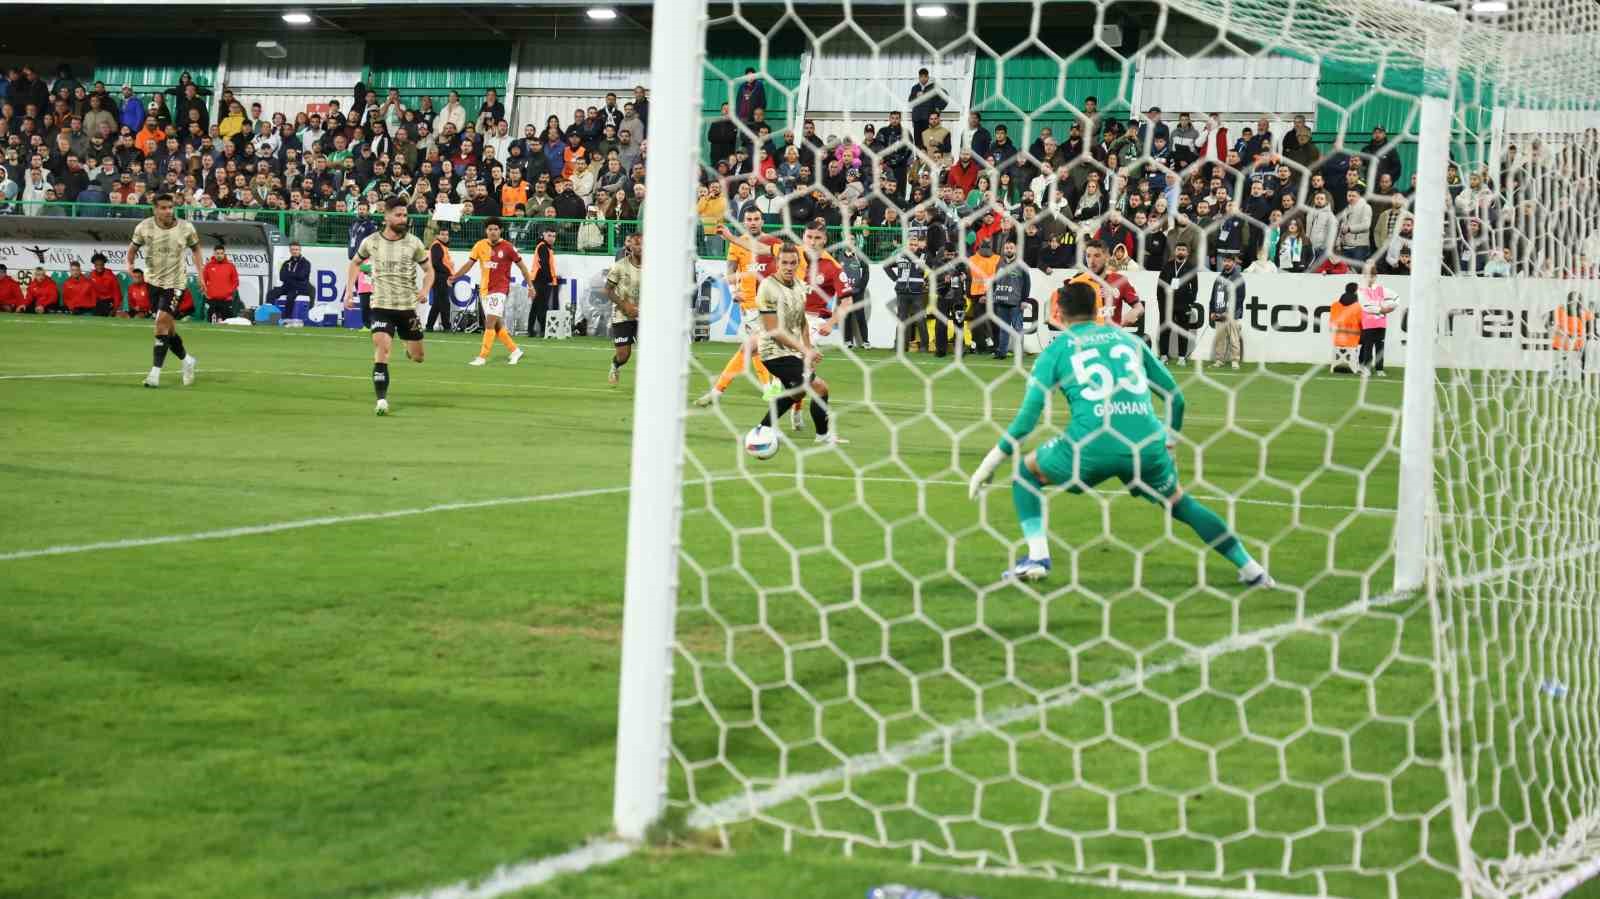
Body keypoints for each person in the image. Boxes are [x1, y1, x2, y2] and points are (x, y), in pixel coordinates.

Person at [967, 279, 1274, 586]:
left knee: (1026, 474)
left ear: (1057, 312)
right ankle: (1253, 570)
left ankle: (1037, 557)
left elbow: (1026, 421)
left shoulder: (1056, 350)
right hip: (1146, 443)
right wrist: (1169, 444)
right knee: (1181, 503)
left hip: (1091, 444)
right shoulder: (1128, 340)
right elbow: (1176, 399)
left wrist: (988, 463)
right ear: (1097, 310)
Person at [343, 196, 432, 415]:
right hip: (381, 305)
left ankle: (407, 346)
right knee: (382, 348)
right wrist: (350, 291)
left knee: (418, 357)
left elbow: (429, 270)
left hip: (407, 307)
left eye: (405, 215)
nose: (403, 219)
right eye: (399, 215)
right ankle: (381, 400)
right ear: (387, 216)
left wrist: (425, 290)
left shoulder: (414, 243)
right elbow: (355, 263)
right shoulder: (371, 241)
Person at [695, 208, 792, 405]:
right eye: (749, 219)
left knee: (752, 348)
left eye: (756, 219)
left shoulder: (774, 244)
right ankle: (771, 387)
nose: (753, 222)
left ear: (762, 221)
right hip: (748, 305)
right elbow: (730, 269)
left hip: (770, 306)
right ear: (744, 222)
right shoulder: (736, 246)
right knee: (755, 348)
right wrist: (733, 292)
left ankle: (719, 390)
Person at [752, 241, 845, 446]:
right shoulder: (768, 287)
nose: (788, 267)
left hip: (792, 351)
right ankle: (823, 436)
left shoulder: (800, 286)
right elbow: (773, 330)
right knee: (819, 387)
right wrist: (804, 350)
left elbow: (802, 320)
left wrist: (808, 347)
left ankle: (763, 429)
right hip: (773, 352)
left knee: (798, 391)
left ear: (798, 264)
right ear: (777, 263)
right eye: (784, 262)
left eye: (793, 263)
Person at [128, 193, 204, 388]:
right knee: (168, 329)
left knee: (161, 324)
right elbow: (132, 249)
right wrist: (129, 265)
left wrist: (201, 275)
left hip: (176, 283)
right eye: (163, 208)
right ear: (155, 209)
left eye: (170, 207)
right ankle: (187, 360)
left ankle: (154, 374)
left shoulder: (186, 228)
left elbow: (196, 249)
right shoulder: (144, 227)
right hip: (153, 282)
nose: (168, 211)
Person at [450, 217, 527, 366]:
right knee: (497, 326)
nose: (493, 232)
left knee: (489, 323)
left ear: (500, 230)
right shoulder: (479, 246)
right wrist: (455, 276)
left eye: (496, 229)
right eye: (490, 229)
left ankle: (482, 357)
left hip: (500, 290)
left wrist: (530, 286)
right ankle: (515, 350)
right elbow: (469, 264)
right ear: (486, 231)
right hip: (485, 290)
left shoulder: (508, 247)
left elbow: (522, 267)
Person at [604, 231, 643, 387]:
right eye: (637, 243)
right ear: (630, 246)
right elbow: (607, 290)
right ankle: (615, 365)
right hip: (622, 314)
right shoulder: (619, 266)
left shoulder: (655, 267)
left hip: (646, 316)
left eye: (643, 244)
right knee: (623, 355)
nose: (641, 247)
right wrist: (625, 305)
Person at [987, 238, 1030, 361]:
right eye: (1006, 248)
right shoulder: (999, 264)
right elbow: (995, 282)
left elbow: (1027, 284)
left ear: (1015, 249)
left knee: (1017, 329)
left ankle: (1019, 353)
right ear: (1003, 249)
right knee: (1003, 329)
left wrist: (1024, 300)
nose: (1008, 250)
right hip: (1001, 301)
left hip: (1016, 302)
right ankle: (1002, 352)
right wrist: (993, 296)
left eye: (1011, 248)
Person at [1156, 242, 1198, 362]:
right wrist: (1161, 303)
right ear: (1175, 251)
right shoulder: (1167, 266)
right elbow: (1159, 287)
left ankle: (1181, 357)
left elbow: (1194, 288)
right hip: (1167, 305)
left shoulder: (1191, 268)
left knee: (1183, 330)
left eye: (1183, 250)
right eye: (1178, 249)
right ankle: (1164, 355)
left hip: (1183, 305)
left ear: (1187, 253)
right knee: (1165, 329)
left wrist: (1190, 303)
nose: (1181, 251)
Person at [1357, 267, 1398, 377]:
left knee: (1380, 346)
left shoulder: (1381, 289)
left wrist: (1391, 307)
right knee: (1368, 346)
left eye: (1373, 276)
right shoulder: (1361, 290)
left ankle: (1379, 369)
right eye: (1368, 276)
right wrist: (1381, 309)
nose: (1370, 278)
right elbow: (1366, 306)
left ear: (1376, 277)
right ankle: (1365, 368)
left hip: (1381, 322)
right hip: (1368, 322)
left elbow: (1394, 299)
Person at [1208, 255, 1245, 368]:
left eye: (1229, 261)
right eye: (1225, 261)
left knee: (1234, 338)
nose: (1226, 263)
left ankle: (1235, 360)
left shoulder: (1238, 278)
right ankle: (1219, 360)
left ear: (1234, 263)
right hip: (1219, 313)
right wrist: (1212, 311)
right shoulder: (1219, 278)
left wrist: (1230, 312)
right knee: (1220, 339)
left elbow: (1241, 298)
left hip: (1232, 314)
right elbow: (1213, 296)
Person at [1550, 291, 1593, 380]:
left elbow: (1590, 325)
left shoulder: (1583, 312)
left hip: (1577, 344)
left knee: (1585, 348)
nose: (1574, 302)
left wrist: (1579, 336)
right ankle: (1557, 376)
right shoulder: (1561, 309)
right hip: (1560, 342)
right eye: (1572, 300)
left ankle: (1580, 376)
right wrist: (1560, 332)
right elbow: (1549, 324)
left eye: (1577, 300)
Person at [527, 225, 559, 338]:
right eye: (549, 235)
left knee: (536, 306)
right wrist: (550, 279)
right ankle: (544, 330)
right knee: (542, 306)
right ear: (544, 235)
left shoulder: (544, 247)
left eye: (554, 236)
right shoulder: (543, 247)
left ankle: (531, 330)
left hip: (537, 280)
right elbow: (544, 265)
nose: (551, 238)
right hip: (541, 281)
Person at [266, 242, 313, 315]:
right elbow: (282, 277)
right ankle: (269, 314)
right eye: (292, 249)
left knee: (290, 296)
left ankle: (287, 317)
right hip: (287, 286)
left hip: (300, 287)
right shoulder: (286, 263)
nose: (294, 251)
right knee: (271, 293)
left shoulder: (306, 263)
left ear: (300, 250)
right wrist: (294, 275)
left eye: (296, 249)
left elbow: (301, 276)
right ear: (290, 251)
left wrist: (289, 274)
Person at [1329, 282, 1363, 375]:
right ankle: (1359, 365)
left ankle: (1335, 365)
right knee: (1367, 337)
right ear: (1355, 292)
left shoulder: (1335, 305)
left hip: (1338, 338)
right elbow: (1361, 323)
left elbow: (1332, 322)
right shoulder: (1357, 306)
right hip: (1352, 339)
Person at [426, 225, 455, 333]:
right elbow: (436, 263)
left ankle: (429, 325)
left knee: (438, 303)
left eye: (446, 234)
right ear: (437, 235)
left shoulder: (442, 246)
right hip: (440, 277)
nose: (445, 236)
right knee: (444, 303)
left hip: (440, 276)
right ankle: (446, 326)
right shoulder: (437, 246)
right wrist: (448, 272)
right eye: (442, 234)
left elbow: (441, 262)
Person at [201, 244, 240, 322]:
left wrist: (230, 292)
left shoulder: (230, 266)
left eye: (221, 253)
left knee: (227, 322)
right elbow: (203, 281)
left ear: (224, 254)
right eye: (217, 253)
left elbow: (235, 281)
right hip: (212, 300)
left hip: (226, 300)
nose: (219, 255)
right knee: (211, 323)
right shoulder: (208, 266)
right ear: (214, 254)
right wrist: (206, 293)